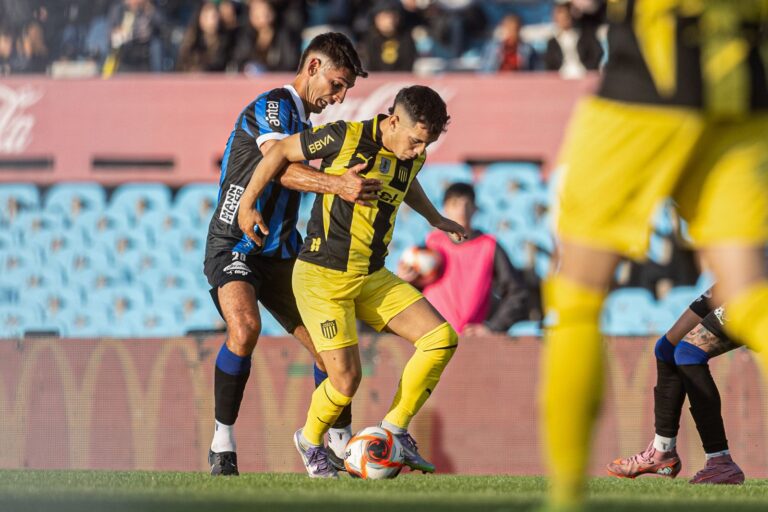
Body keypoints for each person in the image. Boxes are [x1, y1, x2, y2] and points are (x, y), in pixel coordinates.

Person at [542, 2, 768, 510]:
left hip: (643, 89)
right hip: (746, 93)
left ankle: (565, 499)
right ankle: (668, 452)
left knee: (577, 293)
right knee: (750, 299)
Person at [238, 85, 465, 478]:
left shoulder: (413, 154)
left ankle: (394, 431)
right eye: (413, 140)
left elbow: (405, 181)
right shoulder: (345, 136)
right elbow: (279, 152)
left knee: (440, 339)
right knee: (345, 381)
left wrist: (435, 219)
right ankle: (310, 442)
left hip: (371, 276)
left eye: (423, 145)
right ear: (392, 120)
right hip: (322, 277)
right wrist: (248, 203)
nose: (416, 151)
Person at [204, 32, 375, 477]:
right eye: (337, 85)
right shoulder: (277, 106)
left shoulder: (305, 122)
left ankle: (335, 442)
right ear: (313, 67)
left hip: (282, 251)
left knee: (328, 348)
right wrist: (338, 184)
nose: (337, 98)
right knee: (244, 327)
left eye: (345, 91)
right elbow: (280, 169)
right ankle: (222, 440)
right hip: (235, 240)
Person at [607, 289, 745, 484]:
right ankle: (662, 451)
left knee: (689, 353)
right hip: (738, 278)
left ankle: (720, 461)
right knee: (666, 349)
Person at [399, 182, 530, 335]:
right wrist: (404, 281)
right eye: (455, 204)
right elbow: (414, 289)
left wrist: (492, 327)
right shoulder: (430, 244)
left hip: (470, 340)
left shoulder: (488, 246)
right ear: (444, 209)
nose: (462, 210)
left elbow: (517, 292)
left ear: (475, 209)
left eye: (467, 205)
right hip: (433, 336)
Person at [544, 1, 602, 78]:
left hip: (585, 75)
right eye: (560, 17)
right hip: (561, 79)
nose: (563, 20)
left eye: (566, 17)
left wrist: (587, 70)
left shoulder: (586, 36)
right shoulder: (552, 43)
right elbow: (550, 65)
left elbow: (597, 54)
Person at [359, 1, 417, 72]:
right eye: (385, 17)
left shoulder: (407, 38)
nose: (389, 21)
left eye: (392, 16)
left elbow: (408, 65)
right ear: (376, 19)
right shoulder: (368, 40)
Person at [175, 1, 232, 72]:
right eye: (207, 16)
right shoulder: (192, 41)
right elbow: (181, 67)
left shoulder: (227, 42)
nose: (211, 21)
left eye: (214, 16)